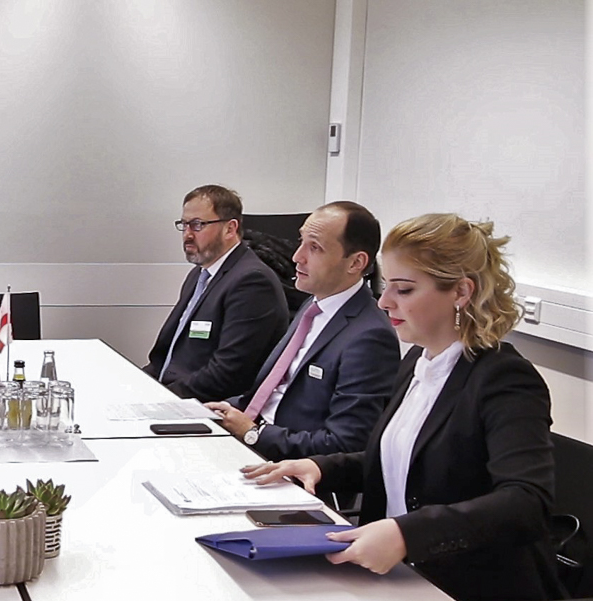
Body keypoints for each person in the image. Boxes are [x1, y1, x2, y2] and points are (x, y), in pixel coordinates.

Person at [243, 214, 565, 600]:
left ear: (461, 292)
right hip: (396, 576)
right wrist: (322, 467)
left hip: (467, 583)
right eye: (387, 287)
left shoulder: (504, 378)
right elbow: (405, 460)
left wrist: (406, 535)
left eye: (405, 290)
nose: (384, 302)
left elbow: (526, 503)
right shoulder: (417, 360)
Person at [205, 202, 400, 460]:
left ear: (355, 262)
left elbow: (346, 442)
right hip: (251, 440)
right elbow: (270, 393)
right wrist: (218, 411)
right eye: (301, 241)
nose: (297, 256)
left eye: (315, 247)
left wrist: (254, 434)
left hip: (286, 464)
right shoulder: (312, 305)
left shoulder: (370, 337)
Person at [141, 185, 288, 401]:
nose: (187, 235)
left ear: (230, 228)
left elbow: (227, 374)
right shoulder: (199, 275)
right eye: (184, 225)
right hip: (172, 393)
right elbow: (164, 357)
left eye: (197, 225)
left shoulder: (252, 282)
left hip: (206, 405)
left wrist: (164, 398)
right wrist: (137, 385)